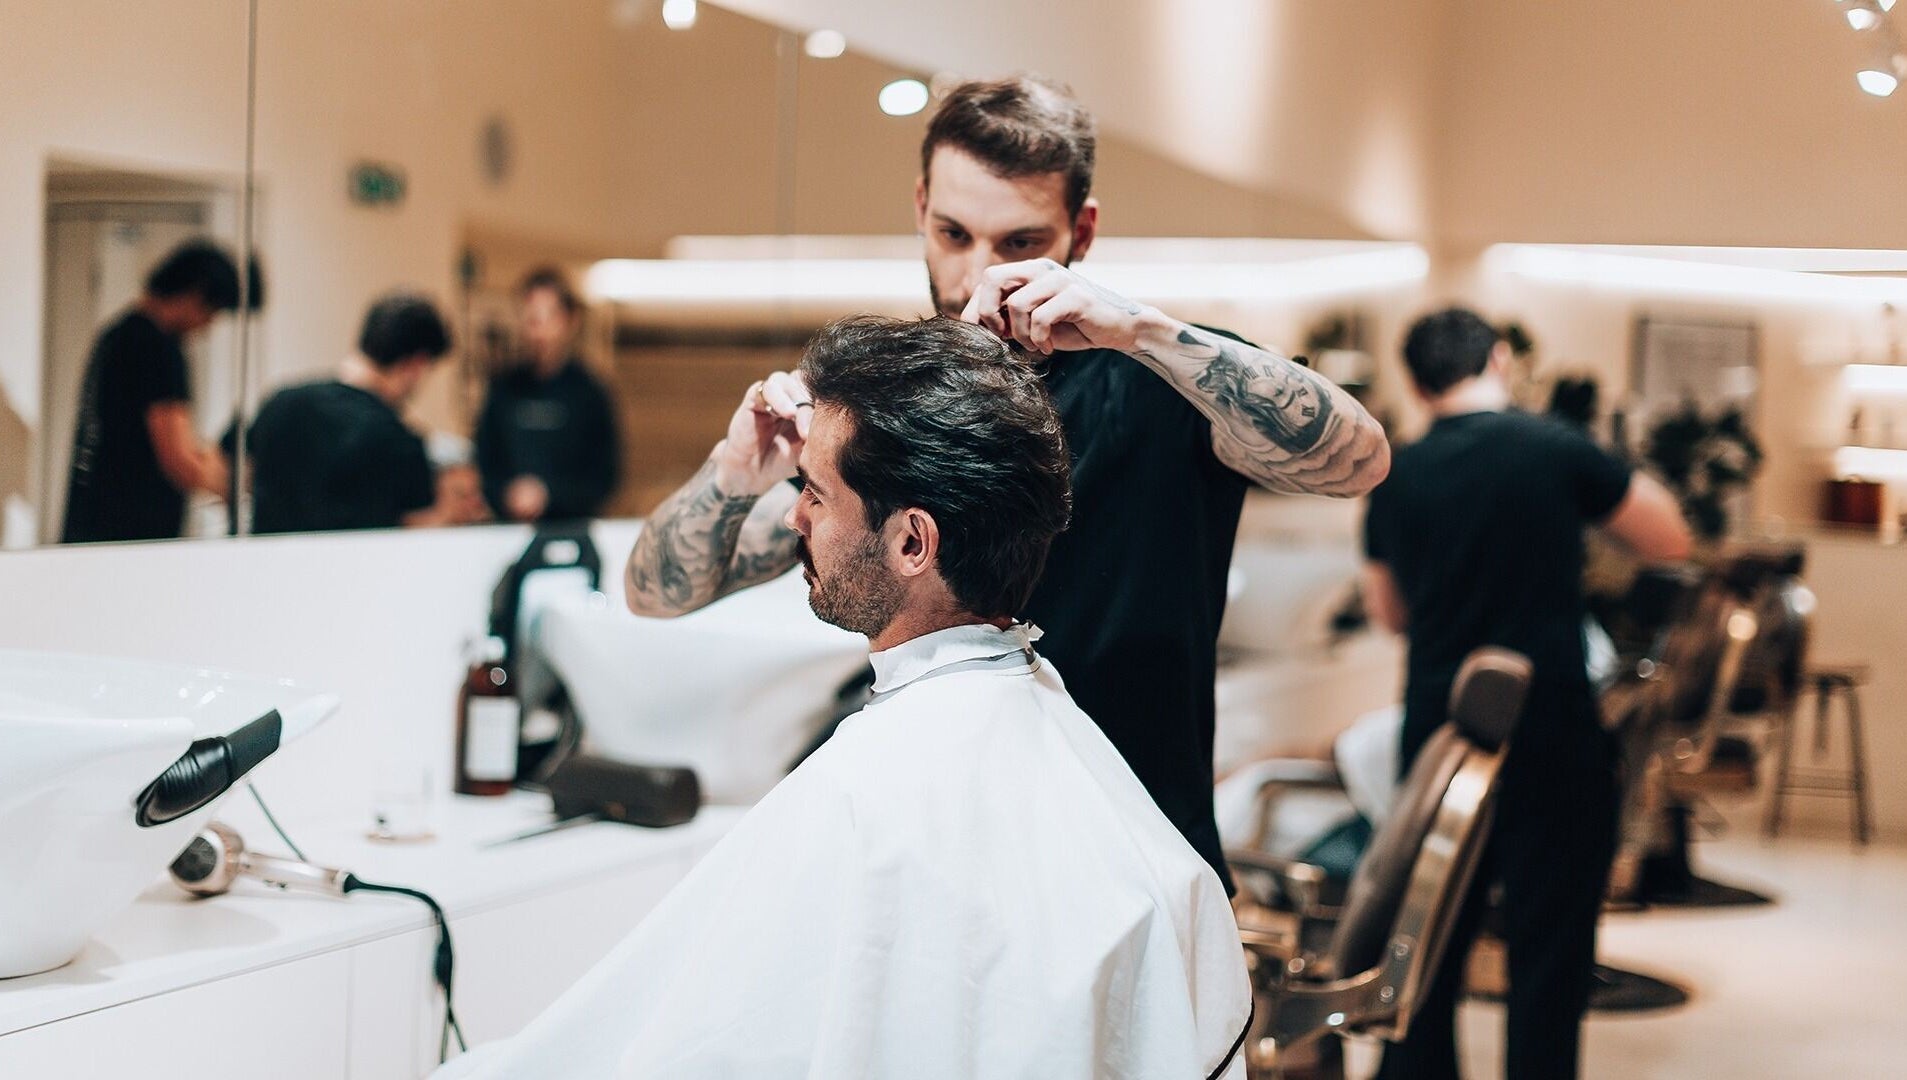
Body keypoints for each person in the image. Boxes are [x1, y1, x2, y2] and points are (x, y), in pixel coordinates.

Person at [437, 315, 1253, 1080]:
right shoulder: (1072, 757)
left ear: (909, 541)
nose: (793, 517)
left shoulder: (867, 795)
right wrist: (735, 468)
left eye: (815, 493)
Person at [625, 75, 1390, 889]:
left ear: (1081, 231)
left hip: (1132, 870)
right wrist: (736, 473)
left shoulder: (1158, 385)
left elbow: (1358, 460)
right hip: (942, 861)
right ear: (920, 206)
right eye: (953, 234)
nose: (974, 278)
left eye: (1020, 244)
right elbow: (657, 592)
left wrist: (1142, 331)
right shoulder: (889, 410)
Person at [1361, 308, 1691, 1079]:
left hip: (1442, 730)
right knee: (1548, 949)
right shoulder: (1552, 447)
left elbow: (1389, 613)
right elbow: (1666, 536)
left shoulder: (1395, 470)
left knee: (1429, 943)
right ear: (1500, 361)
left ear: (1413, 381)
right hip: (1549, 728)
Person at [62, 240, 259, 543]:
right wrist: (239, 489)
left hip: (92, 524)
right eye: (212, 313)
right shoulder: (157, 347)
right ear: (196, 294)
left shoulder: (116, 334)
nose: (206, 328)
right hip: (131, 536)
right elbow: (178, 459)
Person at [244, 293, 487, 533]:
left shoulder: (281, 402)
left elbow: (229, 474)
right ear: (417, 364)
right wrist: (451, 513)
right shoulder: (397, 440)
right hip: (355, 570)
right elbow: (414, 530)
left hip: (269, 566)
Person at [473, 267, 620, 523]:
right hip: (508, 529)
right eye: (530, 317)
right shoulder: (503, 388)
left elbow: (605, 475)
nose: (538, 329)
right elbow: (485, 460)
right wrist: (506, 494)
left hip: (570, 528)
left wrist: (549, 495)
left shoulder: (590, 392)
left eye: (547, 316)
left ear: (569, 320)